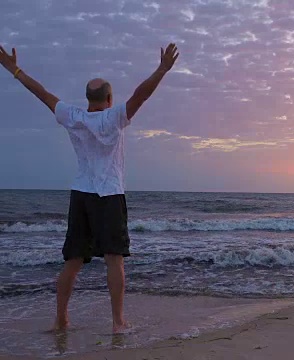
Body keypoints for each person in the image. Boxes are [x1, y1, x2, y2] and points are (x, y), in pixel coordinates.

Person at [0, 43, 179, 333]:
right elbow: (140, 96)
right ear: (109, 99)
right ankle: (118, 322)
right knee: (114, 260)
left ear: (87, 99)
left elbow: (42, 93)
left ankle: (61, 318)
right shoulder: (115, 117)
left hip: (81, 194)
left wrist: (15, 70)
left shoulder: (73, 116)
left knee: (73, 260)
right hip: (109, 193)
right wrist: (162, 69)